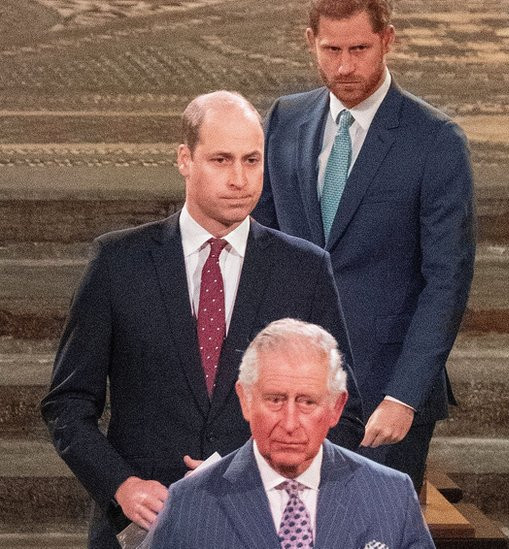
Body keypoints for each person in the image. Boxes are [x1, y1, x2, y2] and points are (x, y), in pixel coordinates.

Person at [40, 91, 364, 548]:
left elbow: (344, 414)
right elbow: (67, 405)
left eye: (252, 161)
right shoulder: (118, 263)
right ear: (184, 160)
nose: (239, 179)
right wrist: (121, 486)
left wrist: (267, 478)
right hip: (139, 529)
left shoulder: (304, 270)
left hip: (264, 528)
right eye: (221, 160)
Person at [254, 0, 475, 489]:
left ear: (388, 40)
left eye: (360, 48)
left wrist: (404, 397)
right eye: (332, 49)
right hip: (292, 392)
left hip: (386, 397)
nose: (345, 65)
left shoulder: (436, 140)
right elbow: (260, 250)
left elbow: (447, 281)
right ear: (310, 41)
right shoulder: (286, 120)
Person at [148, 319, 434, 548]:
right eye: (275, 400)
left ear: (336, 408)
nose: (289, 422)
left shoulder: (391, 495)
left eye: (307, 402)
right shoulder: (190, 501)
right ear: (245, 400)